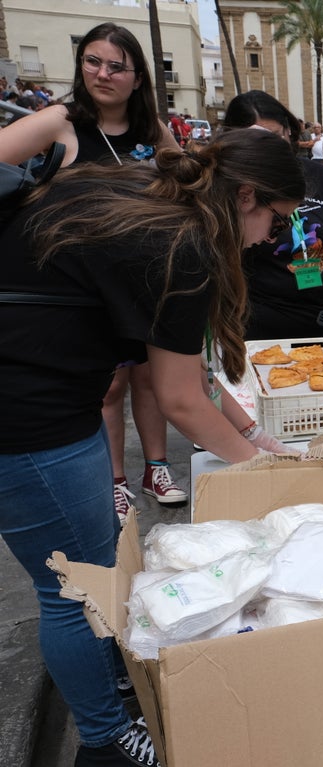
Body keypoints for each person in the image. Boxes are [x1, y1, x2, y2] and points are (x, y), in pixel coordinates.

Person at [0, 128, 305, 767]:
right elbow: (180, 400)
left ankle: (109, 690)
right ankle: (106, 742)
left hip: (46, 394)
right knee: (76, 588)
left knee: (98, 572)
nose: (269, 239)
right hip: (30, 413)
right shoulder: (185, 243)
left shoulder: (154, 199)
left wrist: (254, 437)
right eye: (273, 221)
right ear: (245, 196)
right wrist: (267, 472)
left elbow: (189, 375)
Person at [0, 23, 189, 517]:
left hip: (143, 281)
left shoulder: (153, 131)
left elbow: (189, 183)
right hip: (76, 291)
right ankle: (114, 480)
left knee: (149, 378)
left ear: (137, 77)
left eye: (116, 66)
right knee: (108, 386)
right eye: (92, 61)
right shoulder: (61, 120)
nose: (102, 74)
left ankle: (156, 467)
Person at [219, 90, 323, 340]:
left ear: (289, 130)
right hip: (264, 317)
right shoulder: (235, 190)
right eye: (259, 137)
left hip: (322, 312)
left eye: (276, 136)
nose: (270, 147)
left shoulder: (318, 175)